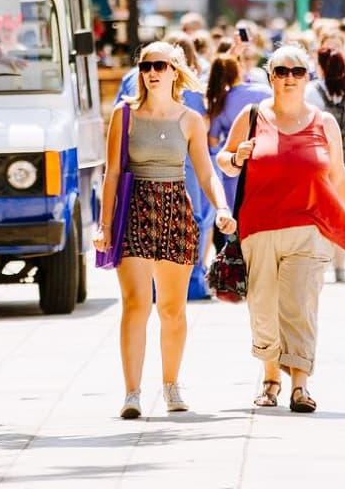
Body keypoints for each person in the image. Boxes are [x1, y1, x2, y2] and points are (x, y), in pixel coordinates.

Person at [218, 46, 345, 414]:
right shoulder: (252, 116)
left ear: (307, 76)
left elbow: (337, 173)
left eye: (297, 71)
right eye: (281, 71)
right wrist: (237, 157)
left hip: (308, 227)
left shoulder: (323, 122)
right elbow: (224, 159)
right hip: (258, 227)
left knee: (300, 304)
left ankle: (300, 384)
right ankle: (270, 377)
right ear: (270, 77)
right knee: (263, 307)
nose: (289, 78)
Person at [97, 42, 235, 419]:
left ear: (175, 70)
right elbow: (111, 173)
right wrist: (104, 224)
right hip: (135, 210)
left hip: (176, 210)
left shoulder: (190, 119)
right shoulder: (124, 115)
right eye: (146, 66)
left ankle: (172, 385)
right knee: (136, 304)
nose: (152, 72)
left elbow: (206, 172)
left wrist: (221, 206)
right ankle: (132, 393)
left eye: (160, 65)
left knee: (173, 309)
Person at [307, 47, 345, 284]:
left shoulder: (312, 93)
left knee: (320, 211)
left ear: (321, 67)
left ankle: (322, 258)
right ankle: (340, 265)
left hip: (318, 160)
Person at [206, 54, 273, 201]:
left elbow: (213, 140)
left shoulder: (220, 102)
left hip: (233, 165)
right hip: (263, 160)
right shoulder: (264, 91)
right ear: (238, 70)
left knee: (237, 216)